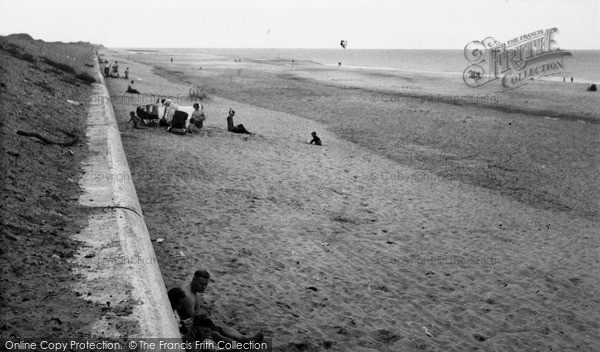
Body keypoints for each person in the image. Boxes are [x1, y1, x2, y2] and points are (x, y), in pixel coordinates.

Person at [175, 270, 263, 343]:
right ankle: (245, 340)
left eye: (206, 284)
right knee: (217, 326)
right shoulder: (188, 297)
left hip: (195, 323)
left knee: (217, 322)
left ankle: (243, 339)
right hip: (190, 328)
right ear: (194, 280)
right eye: (201, 284)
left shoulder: (194, 290)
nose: (204, 287)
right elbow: (193, 319)